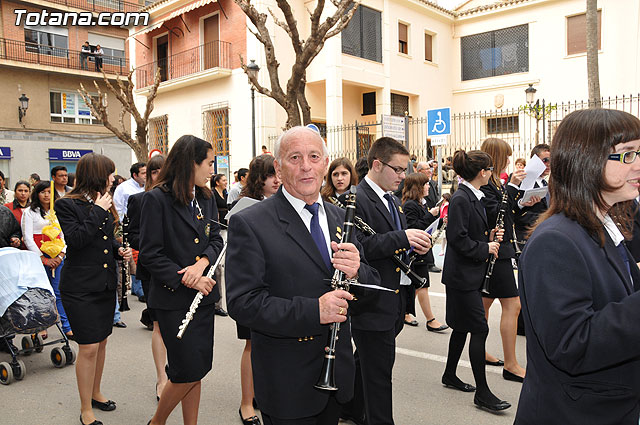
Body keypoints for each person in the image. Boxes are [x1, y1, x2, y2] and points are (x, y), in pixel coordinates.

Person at [226, 126, 379, 425]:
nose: (306, 166)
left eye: (313, 156)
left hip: (337, 378)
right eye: (295, 157)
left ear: (325, 163)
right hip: (288, 384)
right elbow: (243, 303)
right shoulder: (251, 223)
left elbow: (368, 287)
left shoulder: (339, 217)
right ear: (279, 170)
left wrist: (359, 270)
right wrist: (314, 310)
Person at [515, 109, 640, 425]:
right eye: (626, 155)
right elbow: (572, 345)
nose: (637, 164)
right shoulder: (555, 241)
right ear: (588, 161)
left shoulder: (605, 222)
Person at [345, 137, 431, 425]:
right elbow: (357, 250)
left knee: (367, 364)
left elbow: (393, 241)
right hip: (371, 301)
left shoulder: (391, 199)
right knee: (380, 376)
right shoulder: (356, 198)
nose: (403, 176)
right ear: (377, 164)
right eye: (397, 169)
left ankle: (351, 409)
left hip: (392, 299)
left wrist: (413, 245)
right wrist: (401, 238)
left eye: (405, 169)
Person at [140, 135, 223, 425]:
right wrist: (189, 278)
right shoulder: (156, 199)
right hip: (173, 298)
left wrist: (202, 263)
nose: (213, 169)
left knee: (197, 369)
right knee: (185, 370)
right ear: (192, 162)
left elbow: (216, 241)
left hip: (203, 298)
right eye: (209, 163)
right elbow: (150, 254)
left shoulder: (206, 196)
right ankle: (157, 421)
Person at [56, 153, 132, 425]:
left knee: (101, 343)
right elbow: (76, 240)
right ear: (97, 174)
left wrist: (118, 249)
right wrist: (99, 210)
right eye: (110, 173)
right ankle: (85, 407)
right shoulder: (67, 204)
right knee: (87, 347)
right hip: (80, 288)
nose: (113, 178)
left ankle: (96, 392)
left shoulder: (104, 201)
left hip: (103, 284)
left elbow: (104, 239)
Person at [441, 149, 511, 412]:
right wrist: (486, 248)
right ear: (482, 172)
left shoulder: (472, 196)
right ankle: (482, 392)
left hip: (467, 274)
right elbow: (457, 239)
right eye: (490, 169)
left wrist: (489, 235)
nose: (491, 173)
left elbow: (470, 232)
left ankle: (449, 374)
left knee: (461, 327)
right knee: (479, 329)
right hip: (462, 277)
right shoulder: (462, 198)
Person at [231, 154, 281, 424]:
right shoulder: (245, 207)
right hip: (253, 287)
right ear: (257, 178)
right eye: (269, 175)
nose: (275, 180)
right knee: (252, 345)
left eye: (277, 174)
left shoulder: (287, 203)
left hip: (280, 287)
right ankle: (246, 403)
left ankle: (266, 394)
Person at [479, 138, 531, 382]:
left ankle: (480, 351)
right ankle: (510, 364)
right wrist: (511, 188)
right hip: (496, 251)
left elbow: (507, 211)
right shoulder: (487, 185)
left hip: (502, 249)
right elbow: (494, 213)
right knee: (512, 305)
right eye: (506, 156)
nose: (510, 161)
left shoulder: (495, 183)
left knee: (485, 305)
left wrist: (522, 202)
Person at [127, 153, 168, 402]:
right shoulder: (139, 200)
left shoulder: (183, 199)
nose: (160, 176)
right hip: (153, 270)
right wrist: (156, 246)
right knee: (159, 325)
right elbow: (132, 235)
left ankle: (178, 373)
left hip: (181, 272)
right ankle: (161, 378)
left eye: (164, 171)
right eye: (154, 172)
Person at [22, 180, 72, 339]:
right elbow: (28, 238)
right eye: (43, 192)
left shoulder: (59, 211)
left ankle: (67, 326)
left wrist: (60, 255)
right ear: (37, 194)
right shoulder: (29, 213)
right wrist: (43, 258)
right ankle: (41, 326)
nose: (46, 195)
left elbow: (64, 234)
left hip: (58, 258)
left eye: (49, 192)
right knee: (40, 293)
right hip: (38, 259)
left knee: (59, 292)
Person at [401, 173, 448, 332]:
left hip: (423, 250)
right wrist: (431, 215)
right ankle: (431, 320)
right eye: (426, 184)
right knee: (423, 285)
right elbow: (414, 227)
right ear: (418, 187)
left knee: (415, 286)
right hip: (416, 251)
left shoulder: (422, 203)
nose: (429, 186)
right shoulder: (410, 205)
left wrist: (441, 220)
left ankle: (405, 312)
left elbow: (429, 224)